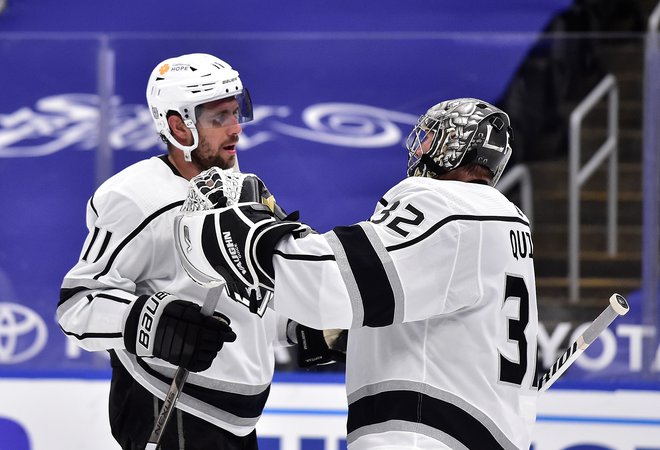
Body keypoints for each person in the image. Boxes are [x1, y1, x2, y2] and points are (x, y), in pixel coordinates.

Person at [175, 98, 540, 449]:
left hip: (421, 438)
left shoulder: (446, 207)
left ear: (453, 148)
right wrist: (321, 331)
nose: (419, 148)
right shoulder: (506, 225)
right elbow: (421, 314)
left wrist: (246, 230)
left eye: (429, 138)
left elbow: (328, 284)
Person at [57, 53, 338, 450]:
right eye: (218, 118)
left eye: (235, 113)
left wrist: (299, 326)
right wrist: (151, 322)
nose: (236, 129)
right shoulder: (135, 197)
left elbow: (246, 297)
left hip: (236, 420)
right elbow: (77, 305)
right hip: (171, 408)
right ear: (178, 126)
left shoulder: (240, 189)